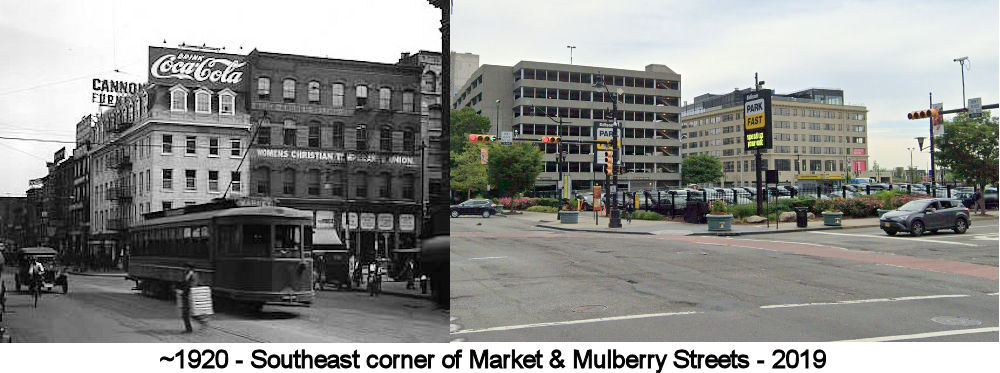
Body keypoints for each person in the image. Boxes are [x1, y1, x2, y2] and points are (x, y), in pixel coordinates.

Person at [180, 264, 207, 333]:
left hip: (190, 296)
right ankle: (199, 323)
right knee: (187, 313)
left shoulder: (194, 275)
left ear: (190, 268)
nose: (185, 269)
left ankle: (200, 323)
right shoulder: (186, 274)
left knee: (187, 313)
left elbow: (193, 285)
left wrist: (185, 291)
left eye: (186, 267)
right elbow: (184, 283)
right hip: (186, 295)